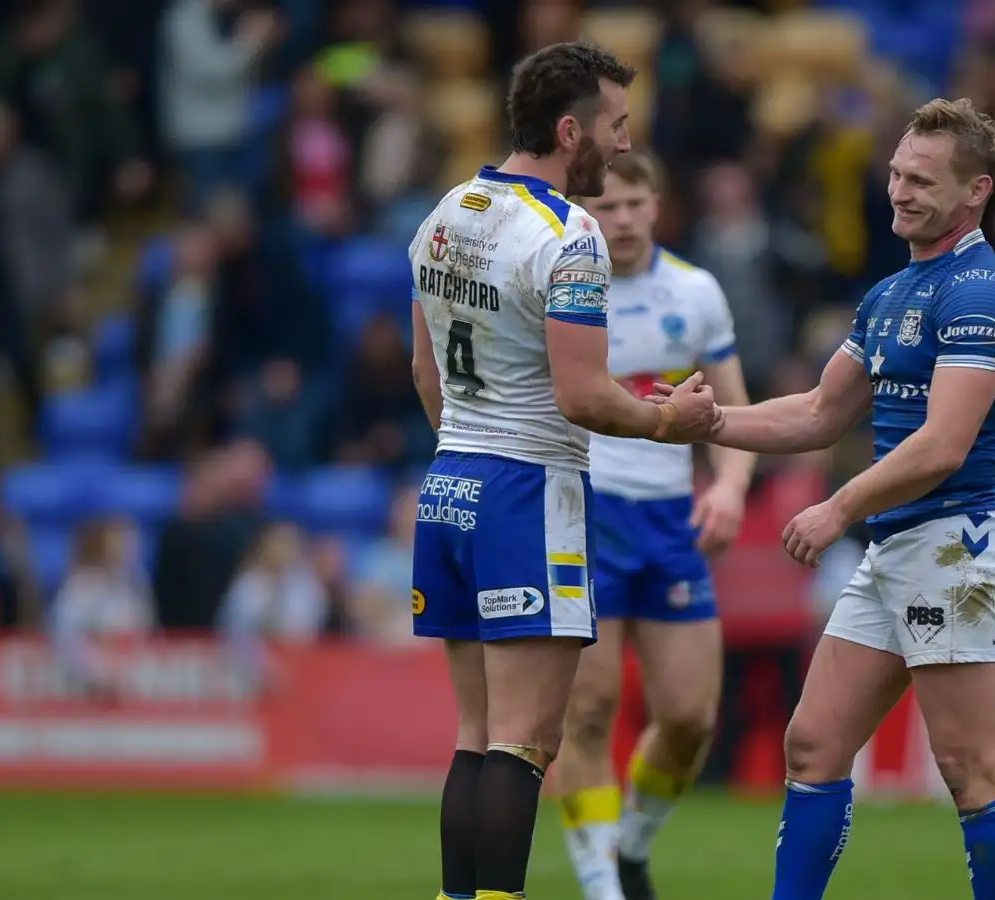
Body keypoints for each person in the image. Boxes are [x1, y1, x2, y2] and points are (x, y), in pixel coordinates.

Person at [695, 97, 995, 900]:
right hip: (897, 547)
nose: (900, 192)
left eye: (922, 180)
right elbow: (820, 412)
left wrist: (840, 506)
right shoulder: (892, 292)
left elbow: (944, 444)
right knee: (813, 743)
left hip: (955, 546)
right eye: (896, 174)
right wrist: (705, 423)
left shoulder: (982, 292)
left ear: (976, 191)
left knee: (971, 766)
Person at [406, 42, 719, 900]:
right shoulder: (569, 235)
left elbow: (426, 374)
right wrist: (671, 421)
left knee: (475, 734)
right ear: (571, 130)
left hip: (452, 484)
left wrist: (469, 445)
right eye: (616, 125)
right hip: (526, 492)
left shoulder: (445, 213)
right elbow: (584, 397)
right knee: (523, 740)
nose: (624, 144)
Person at [554, 150, 756, 900]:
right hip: (585, 509)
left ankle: (631, 848)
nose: (623, 220)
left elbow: (732, 410)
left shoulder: (695, 291)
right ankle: (602, 886)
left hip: (671, 520)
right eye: (607, 207)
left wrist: (729, 486)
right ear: (585, 213)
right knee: (589, 709)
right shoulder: (563, 285)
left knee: (690, 717)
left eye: (636, 204)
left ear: (657, 206)